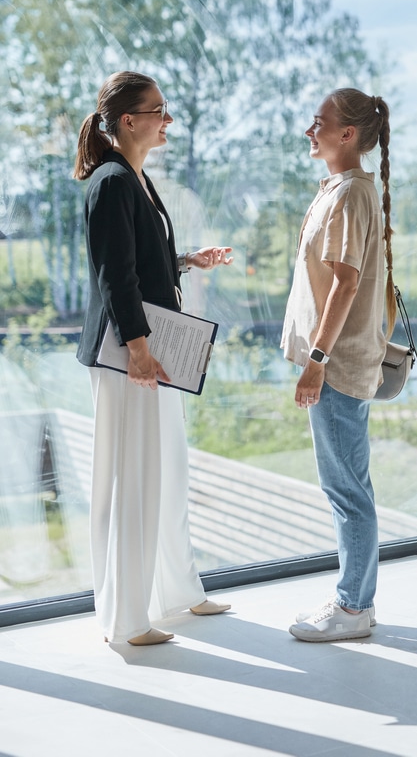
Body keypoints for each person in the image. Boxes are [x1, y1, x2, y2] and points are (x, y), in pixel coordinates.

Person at [74, 70, 234, 646]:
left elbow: (140, 260)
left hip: (148, 347)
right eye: (159, 110)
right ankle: (128, 619)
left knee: (166, 470)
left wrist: (188, 261)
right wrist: (139, 351)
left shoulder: (137, 179)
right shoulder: (113, 181)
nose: (167, 120)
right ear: (128, 121)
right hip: (129, 352)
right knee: (133, 478)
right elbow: (113, 274)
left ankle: (177, 591)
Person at [281, 87, 396, 642]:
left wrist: (316, 361)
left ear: (346, 134)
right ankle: (357, 603)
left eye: (318, 121)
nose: (310, 130)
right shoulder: (341, 189)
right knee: (348, 484)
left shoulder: (350, 194)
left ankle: (353, 609)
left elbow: (346, 283)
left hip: (337, 365)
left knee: (346, 489)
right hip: (338, 362)